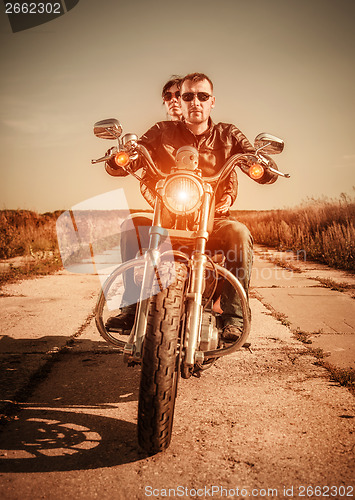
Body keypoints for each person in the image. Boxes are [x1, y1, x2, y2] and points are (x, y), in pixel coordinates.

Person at [105, 73, 277, 340]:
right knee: (131, 226)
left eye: (202, 96)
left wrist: (261, 166)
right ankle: (130, 306)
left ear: (212, 101)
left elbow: (254, 161)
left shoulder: (228, 134)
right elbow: (135, 155)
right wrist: (121, 158)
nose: (195, 101)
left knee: (240, 234)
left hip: (213, 219)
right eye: (188, 96)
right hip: (167, 218)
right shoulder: (161, 131)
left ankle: (234, 317)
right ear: (180, 101)